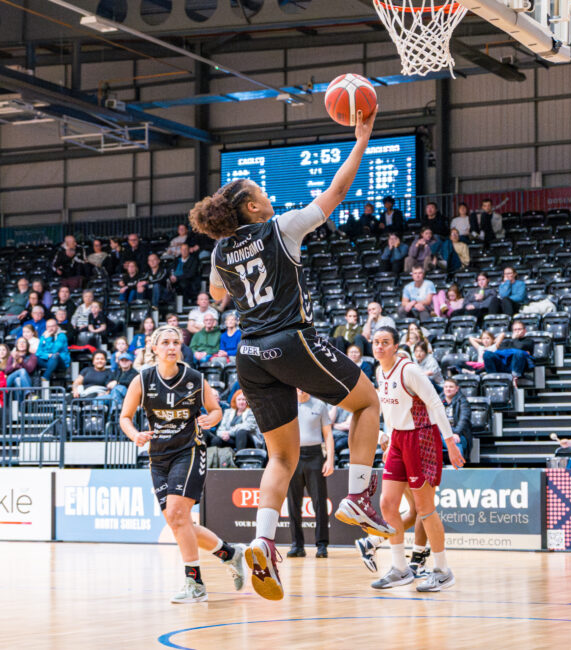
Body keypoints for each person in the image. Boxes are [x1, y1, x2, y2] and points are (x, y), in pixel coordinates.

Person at [190, 109, 394, 602]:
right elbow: (337, 194)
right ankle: (363, 496)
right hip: (288, 339)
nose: (268, 194)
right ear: (254, 210)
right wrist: (362, 141)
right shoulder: (281, 228)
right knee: (367, 404)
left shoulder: (219, 252)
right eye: (260, 192)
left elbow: (217, 292)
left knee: (279, 456)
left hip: (249, 354)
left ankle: (262, 540)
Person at [118, 325, 245, 604]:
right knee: (178, 522)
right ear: (155, 348)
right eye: (165, 342)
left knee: (177, 514)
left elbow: (216, 410)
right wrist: (135, 434)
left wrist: (213, 418)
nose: (172, 347)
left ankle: (195, 583)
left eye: (176, 342)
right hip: (158, 456)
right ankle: (230, 553)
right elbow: (125, 417)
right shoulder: (142, 380)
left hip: (189, 450)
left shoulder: (195, 379)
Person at [369, 327, 464, 592]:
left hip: (421, 438)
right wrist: (388, 439)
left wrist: (450, 444)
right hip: (398, 439)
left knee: (424, 508)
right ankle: (400, 569)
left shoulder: (408, 370)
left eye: (385, 342)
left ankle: (443, 571)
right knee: (388, 503)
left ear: (396, 346)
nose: (379, 347)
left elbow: (436, 404)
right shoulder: (379, 371)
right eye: (376, 342)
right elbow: (389, 409)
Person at [286, 389, 335, 559]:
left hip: (315, 456)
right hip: (293, 456)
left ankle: (322, 545)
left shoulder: (319, 405)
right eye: (297, 386)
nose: (300, 389)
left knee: (320, 502)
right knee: (293, 504)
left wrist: (330, 459)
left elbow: (328, 434)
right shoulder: (288, 405)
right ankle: (297, 545)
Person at [482, 320, 533, 386]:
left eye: (519, 329)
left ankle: (514, 377)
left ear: (525, 330)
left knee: (519, 353)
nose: (517, 331)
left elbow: (520, 347)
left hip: (518, 366)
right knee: (487, 354)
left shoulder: (529, 341)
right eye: (515, 329)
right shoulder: (507, 342)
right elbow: (500, 350)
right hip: (504, 365)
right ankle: (492, 378)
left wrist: (514, 339)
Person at [441, 378, 471, 459]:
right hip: (441, 433)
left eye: (451, 387)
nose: (448, 389)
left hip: (459, 434)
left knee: (454, 442)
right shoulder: (438, 401)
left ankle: (458, 469)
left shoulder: (463, 401)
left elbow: (464, 419)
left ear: (457, 389)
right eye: (446, 387)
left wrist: (456, 433)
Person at [34, 318, 70, 382]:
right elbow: (38, 352)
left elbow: (54, 350)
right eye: (48, 326)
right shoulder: (44, 336)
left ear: (57, 326)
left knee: (55, 356)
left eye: (52, 326)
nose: (50, 328)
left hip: (60, 362)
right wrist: (48, 355)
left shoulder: (61, 336)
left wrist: (48, 339)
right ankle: (35, 380)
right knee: (34, 357)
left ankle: (45, 377)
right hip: (48, 361)